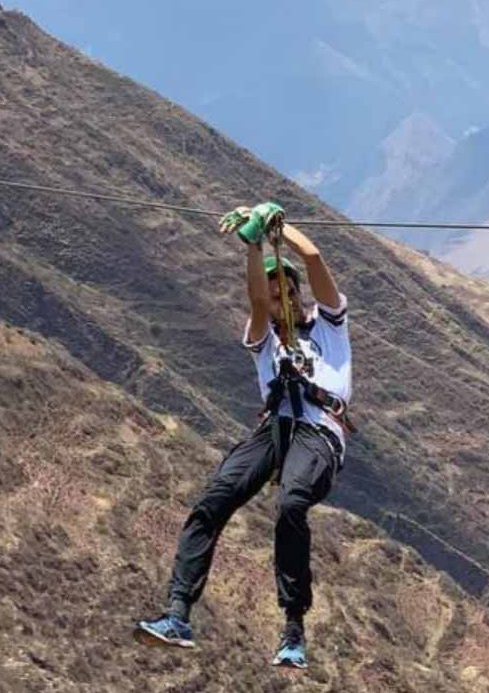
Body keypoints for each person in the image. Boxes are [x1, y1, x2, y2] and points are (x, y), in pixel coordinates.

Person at [135, 203, 353, 669]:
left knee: (292, 504)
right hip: (275, 429)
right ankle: (178, 613)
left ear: (296, 292)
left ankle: (293, 629)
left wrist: (280, 230)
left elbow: (313, 261)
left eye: (285, 290)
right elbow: (256, 302)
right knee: (213, 501)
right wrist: (254, 245)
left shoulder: (330, 327)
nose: (279, 299)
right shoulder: (263, 338)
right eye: (273, 295)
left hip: (318, 432)